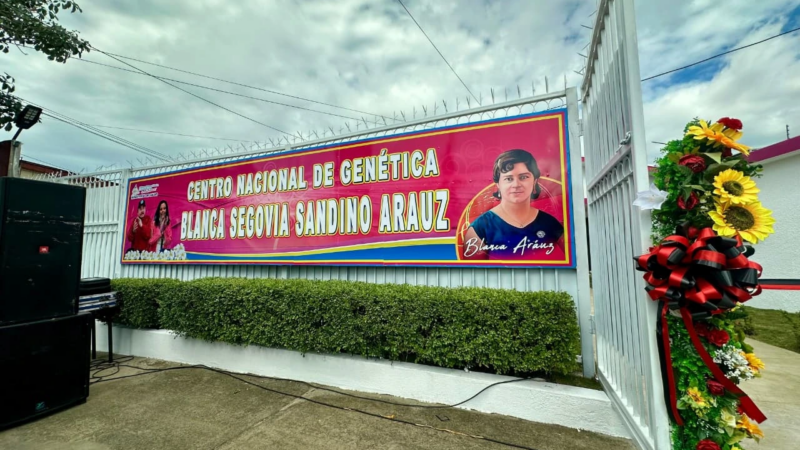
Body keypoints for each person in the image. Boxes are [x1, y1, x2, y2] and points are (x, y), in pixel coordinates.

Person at [462, 149, 564, 260]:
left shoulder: (550, 224)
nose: (516, 184)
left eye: (523, 177)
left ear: (534, 182)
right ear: (498, 185)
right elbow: (474, 274)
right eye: (508, 179)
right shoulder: (479, 229)